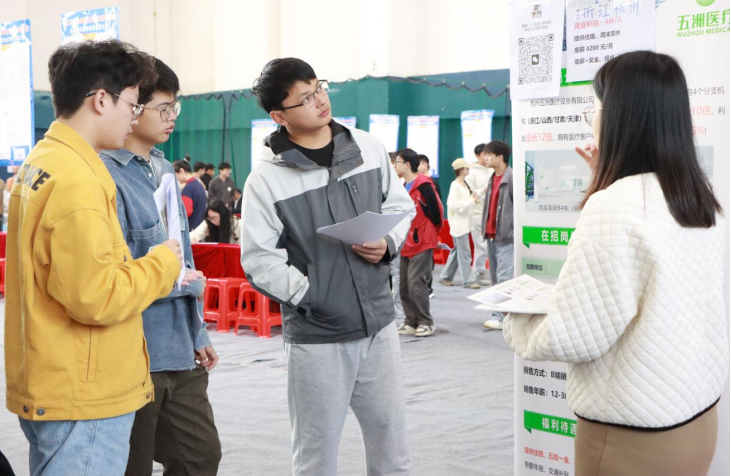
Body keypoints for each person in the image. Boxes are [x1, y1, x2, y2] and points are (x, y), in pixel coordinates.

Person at [504, 51, 728, 476]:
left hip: (632, 437)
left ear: (621, 117)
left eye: (596, 107)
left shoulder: (617, 206)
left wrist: (515, 317)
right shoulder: (699, 198)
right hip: (696, 419)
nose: (593, 117)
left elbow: (573, 336)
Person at [4, 39, 184, 476]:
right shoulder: (78, 181)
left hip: (56, 375)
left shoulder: (44, 161)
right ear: (101, 100)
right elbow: (96, 297)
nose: (135, 116)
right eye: (132, 104)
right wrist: (164, 262)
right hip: (83, 391)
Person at [242, 57, 414, 476]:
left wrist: (388, 241)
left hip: (378, 325)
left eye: (319, 88)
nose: (319, 100)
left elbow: (400, 205)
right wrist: (313, 296)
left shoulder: (367, 147)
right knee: (317, 455)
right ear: (279, 116)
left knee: (392, 445)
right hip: (318, 337)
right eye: (305, 98)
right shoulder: (266, 179)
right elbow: (259, 259)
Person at [100, 57, 221, 475]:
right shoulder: (104, 176)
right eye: (162, 109)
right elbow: (116, 274)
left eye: (175, 109)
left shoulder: (164, 169)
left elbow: (181, 254)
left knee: (199, 457)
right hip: (134, 353)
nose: (171, 118)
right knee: (133, 465)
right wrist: (185, 284)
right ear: (130, 108)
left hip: (181, 351)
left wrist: (198, 329)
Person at [394, 148, 443, 337]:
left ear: (407, 164)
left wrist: (431, 232)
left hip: (423, 240)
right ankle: (411, 321)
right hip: (406, 241)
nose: (395, 165)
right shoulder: (401, 186)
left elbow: (437, 211)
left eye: (397, 161)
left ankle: (425, 321)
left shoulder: (424, 185)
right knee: (404, 284)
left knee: (416, 282)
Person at [480, 140, 513, 330]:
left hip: (506, 236)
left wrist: (511, 230)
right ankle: (503, 315)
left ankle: (499, 317)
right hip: (492, 235)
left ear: (500, 157)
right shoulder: (493, 178)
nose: (485, 158)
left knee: (504, 278)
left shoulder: (512, 177)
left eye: (489, 155)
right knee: (496, 278)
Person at [439, 158, 480, 289]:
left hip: (463, 224)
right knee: (465, 254)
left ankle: (446, 276)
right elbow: (454, 205)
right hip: (459, 225)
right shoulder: (455, 186)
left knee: (458, 252)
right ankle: (468, 281)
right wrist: (471, 201)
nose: (468, 170)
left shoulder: (464, 184)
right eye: (466, 168)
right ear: (462, 170)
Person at [466, 143, 494, 286]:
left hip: (490, 212)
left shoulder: (492, 170)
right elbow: (470, 193)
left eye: (490, 154)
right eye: (485, 154)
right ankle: (478, 272)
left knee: (487, 245)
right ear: (477, 156)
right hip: (476, 213)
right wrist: (483, 190)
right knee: (481, 245)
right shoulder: (471, 172)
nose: (488, 157)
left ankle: (447, 275)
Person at [174, 160, 208, 229]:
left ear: (181, 171)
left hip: (191, 229)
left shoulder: (188, 189)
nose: (176, 178)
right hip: (200, 227)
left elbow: (186, 212)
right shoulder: (199, 185)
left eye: (175, 175)